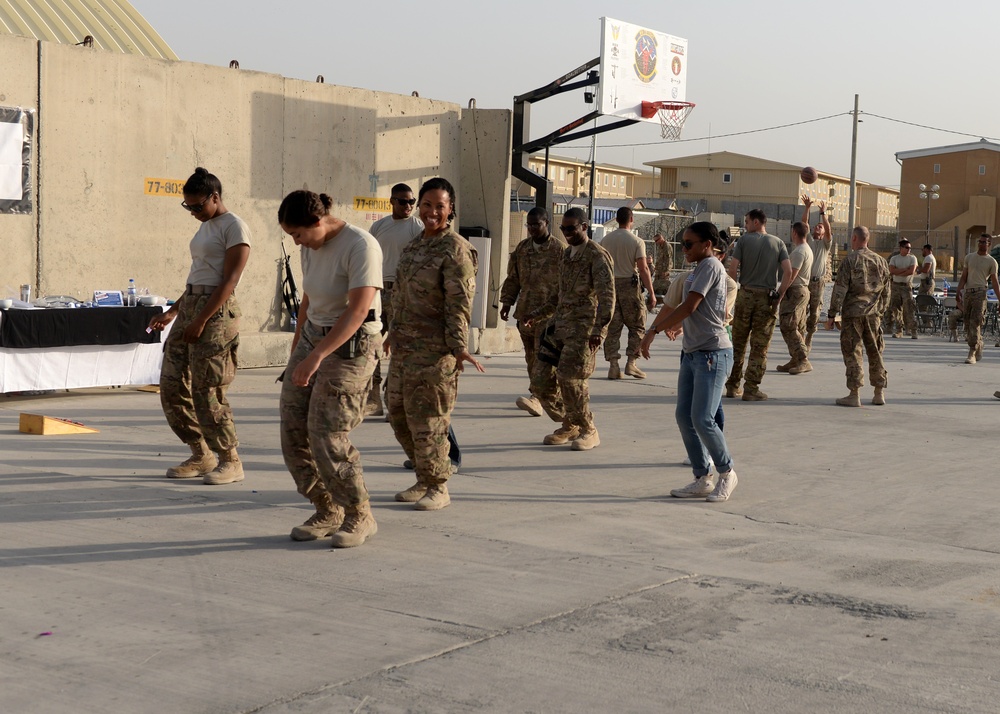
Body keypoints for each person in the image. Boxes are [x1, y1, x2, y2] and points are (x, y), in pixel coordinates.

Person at [277, 190, 383, 547]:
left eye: (299, 234)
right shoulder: (311, 245)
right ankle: (327, 507)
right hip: (313, 336)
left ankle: (358, 514)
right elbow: (308, 297)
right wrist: (298, 348)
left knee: (327, 431)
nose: (297, 242)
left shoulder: (360, 246)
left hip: (352, 343)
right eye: (292, 236)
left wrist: (316, 356)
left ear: (318, 222)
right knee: (293, 427)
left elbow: (357, 312)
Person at [386, 177, 484, 511]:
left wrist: (459, 347)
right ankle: (424, 477)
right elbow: (399, 295)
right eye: (426, 205)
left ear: (450, 209)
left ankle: (439, 485)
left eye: (439, 206)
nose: (431, 212)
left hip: (434, 352)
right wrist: (392, 332)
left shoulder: (455, 249)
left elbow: (459, 305)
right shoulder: (415, 245)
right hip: (404, 349)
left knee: (429, 421)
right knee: (398, 414)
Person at [149, 168, 251, 485]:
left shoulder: (234, 227)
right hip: (193, 305)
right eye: (188, 207)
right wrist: (174, 312)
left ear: (215, 197)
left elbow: (228, 281)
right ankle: (201, 453)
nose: (193, 212)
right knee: (171, 384)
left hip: (216, 313)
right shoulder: (206, 228)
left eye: (196, 206)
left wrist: (202, 319)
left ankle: (230, 460)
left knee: (208, 389)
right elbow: (198, 278)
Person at [639, 222, 738, 502]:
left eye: (689, 244)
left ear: (708, 245)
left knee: (703, 418)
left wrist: (653, 331)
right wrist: (659, 331)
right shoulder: (695, 271)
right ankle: (701, 476)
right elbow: (687, 310)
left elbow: (690, 306)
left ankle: (726, 473)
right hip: (693, 354)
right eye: (682, 243)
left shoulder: (710, 267)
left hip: (713, 354)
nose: (684, 249)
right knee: (685, 416)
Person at [522, 207, 614, 451]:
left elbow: (608, 298)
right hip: (559, 328)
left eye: (571, 228)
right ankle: (569, 423)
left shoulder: (597, 256)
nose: (567, 233)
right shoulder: (567, 255)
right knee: (540, 381)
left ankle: (588, 429)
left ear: (585, 226)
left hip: (584, 331)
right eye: (563, 229)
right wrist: (536, 314)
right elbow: (558, 295)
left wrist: (599, 330)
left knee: (571, 380)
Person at [499, 207, 565, 417]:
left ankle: (538, 398)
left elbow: (566, 284)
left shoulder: (559, 250)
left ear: (547, 223)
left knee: (543, 360)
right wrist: (507, 303)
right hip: (525, 312)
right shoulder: (522, 249)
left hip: (549, 316)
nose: (532, 229)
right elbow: (513, 278)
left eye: (537, 224)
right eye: (529, 225)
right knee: (531, 358)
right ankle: (542, 395)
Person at [365, 183, 424, 417]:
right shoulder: (379, 226)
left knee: (400, 347)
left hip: (403, 292)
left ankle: (395, 399)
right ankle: (373, 398)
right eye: (403, 201)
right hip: (379, 291)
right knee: (372, 344)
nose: (408, 206)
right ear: (392, 202)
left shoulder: (416, 227)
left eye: (412, 202)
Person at [724, 209, 793, 401]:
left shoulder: (744, 241)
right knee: (759, 346)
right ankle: (751, 388)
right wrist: (780, 294)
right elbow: (788, 272)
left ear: (756, 222)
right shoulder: (778, 243)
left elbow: (733, 268)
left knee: (738, 342)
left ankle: (732, 385)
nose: (745, 225)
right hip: (766, 298)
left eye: (747, 222)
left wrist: (736, 289)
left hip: (745, 294)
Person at [826, 226, 891, 407]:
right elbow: (887, 292)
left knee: (853, 352)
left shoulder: (850, 261)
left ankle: (854, 394)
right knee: (875, 352)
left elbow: (839, 290)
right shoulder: (881, 261)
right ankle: (879, 392)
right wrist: (881, 311)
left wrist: (832, 314)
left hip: (853, 314)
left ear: (854, 238)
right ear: (867, 239)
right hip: (873, 315)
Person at [601, 207, 656, 379]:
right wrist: (652, 293)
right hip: (630, 287)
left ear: (617, 219)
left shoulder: (605, 240)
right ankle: (631, 363)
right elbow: (643, 268)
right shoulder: (637, 241)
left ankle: (613, 365)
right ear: (631, 219)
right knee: (637, 325)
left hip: (611, 287)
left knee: (612, 327)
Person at [955, 234, 1000, 365]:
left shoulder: (992, 261)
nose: (981, 244)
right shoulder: (969, 257)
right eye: (979, 242)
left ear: (989, 244)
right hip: (968, 292)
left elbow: (995, 282)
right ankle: (979, 342)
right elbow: (964, 276)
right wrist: (959, 290)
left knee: (976, 321)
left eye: (984, 242)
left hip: (980, 293)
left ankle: (972, 352)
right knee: (968, 323)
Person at [776, 221, 814, 374]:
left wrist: (781, 292)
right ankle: (795, 358)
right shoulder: (806, 249)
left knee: (788, 325)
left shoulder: (799, 252)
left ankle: (803, 359)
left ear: (794, 233)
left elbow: (791, 275)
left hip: (796, 291)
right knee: (798, 327)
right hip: (801, 290)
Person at [801, 197, 833, 352]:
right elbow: (803, 225)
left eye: (820, 227)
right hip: (805, 282)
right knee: (801, 311)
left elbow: (828, 229)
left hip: (818, 282)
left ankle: (809, 338)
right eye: (816, 226)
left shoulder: (825, 244)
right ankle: (800, 337)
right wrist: (807, 208)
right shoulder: (808, 241)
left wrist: (823, 214)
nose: (818, 228)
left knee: (814, 313)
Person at [887, 238, 919, 339]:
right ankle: (899, 330)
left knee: (909, 309)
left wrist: (899, 271)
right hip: (895, 285)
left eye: (910, 248)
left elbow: (911, 271)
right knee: (896, 309)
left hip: (906, 286)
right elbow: (891, 271)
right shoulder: (894, 258)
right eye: (906, 248)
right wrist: (905, 269)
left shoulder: (912, 258)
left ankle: (913, 330)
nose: (909, 249)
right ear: (901, 248)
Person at [652, 232, 674, 303]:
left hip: (664, 269)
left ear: (661, 238)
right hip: (659, 268)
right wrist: (656, 266)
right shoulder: (660, 246)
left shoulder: (666, 246)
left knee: (664, 284)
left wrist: (666, 270)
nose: (656, 242)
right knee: (657, 283)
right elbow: (659, 258)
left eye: (656, 240)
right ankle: (658, 298)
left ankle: (667, 298)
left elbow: (668, 259)